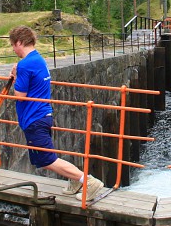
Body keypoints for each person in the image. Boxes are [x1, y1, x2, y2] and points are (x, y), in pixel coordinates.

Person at [9, 26, 104, 200]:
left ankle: (87, 181)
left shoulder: (25, 64)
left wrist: (16, 75)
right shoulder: (38, 59)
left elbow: (20, 96)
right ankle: (75, 179)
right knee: (43, 158)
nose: (13, 49)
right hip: (43, 114)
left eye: (13, 45)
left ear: (20, 42)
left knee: (47, 159)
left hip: (34, 118)